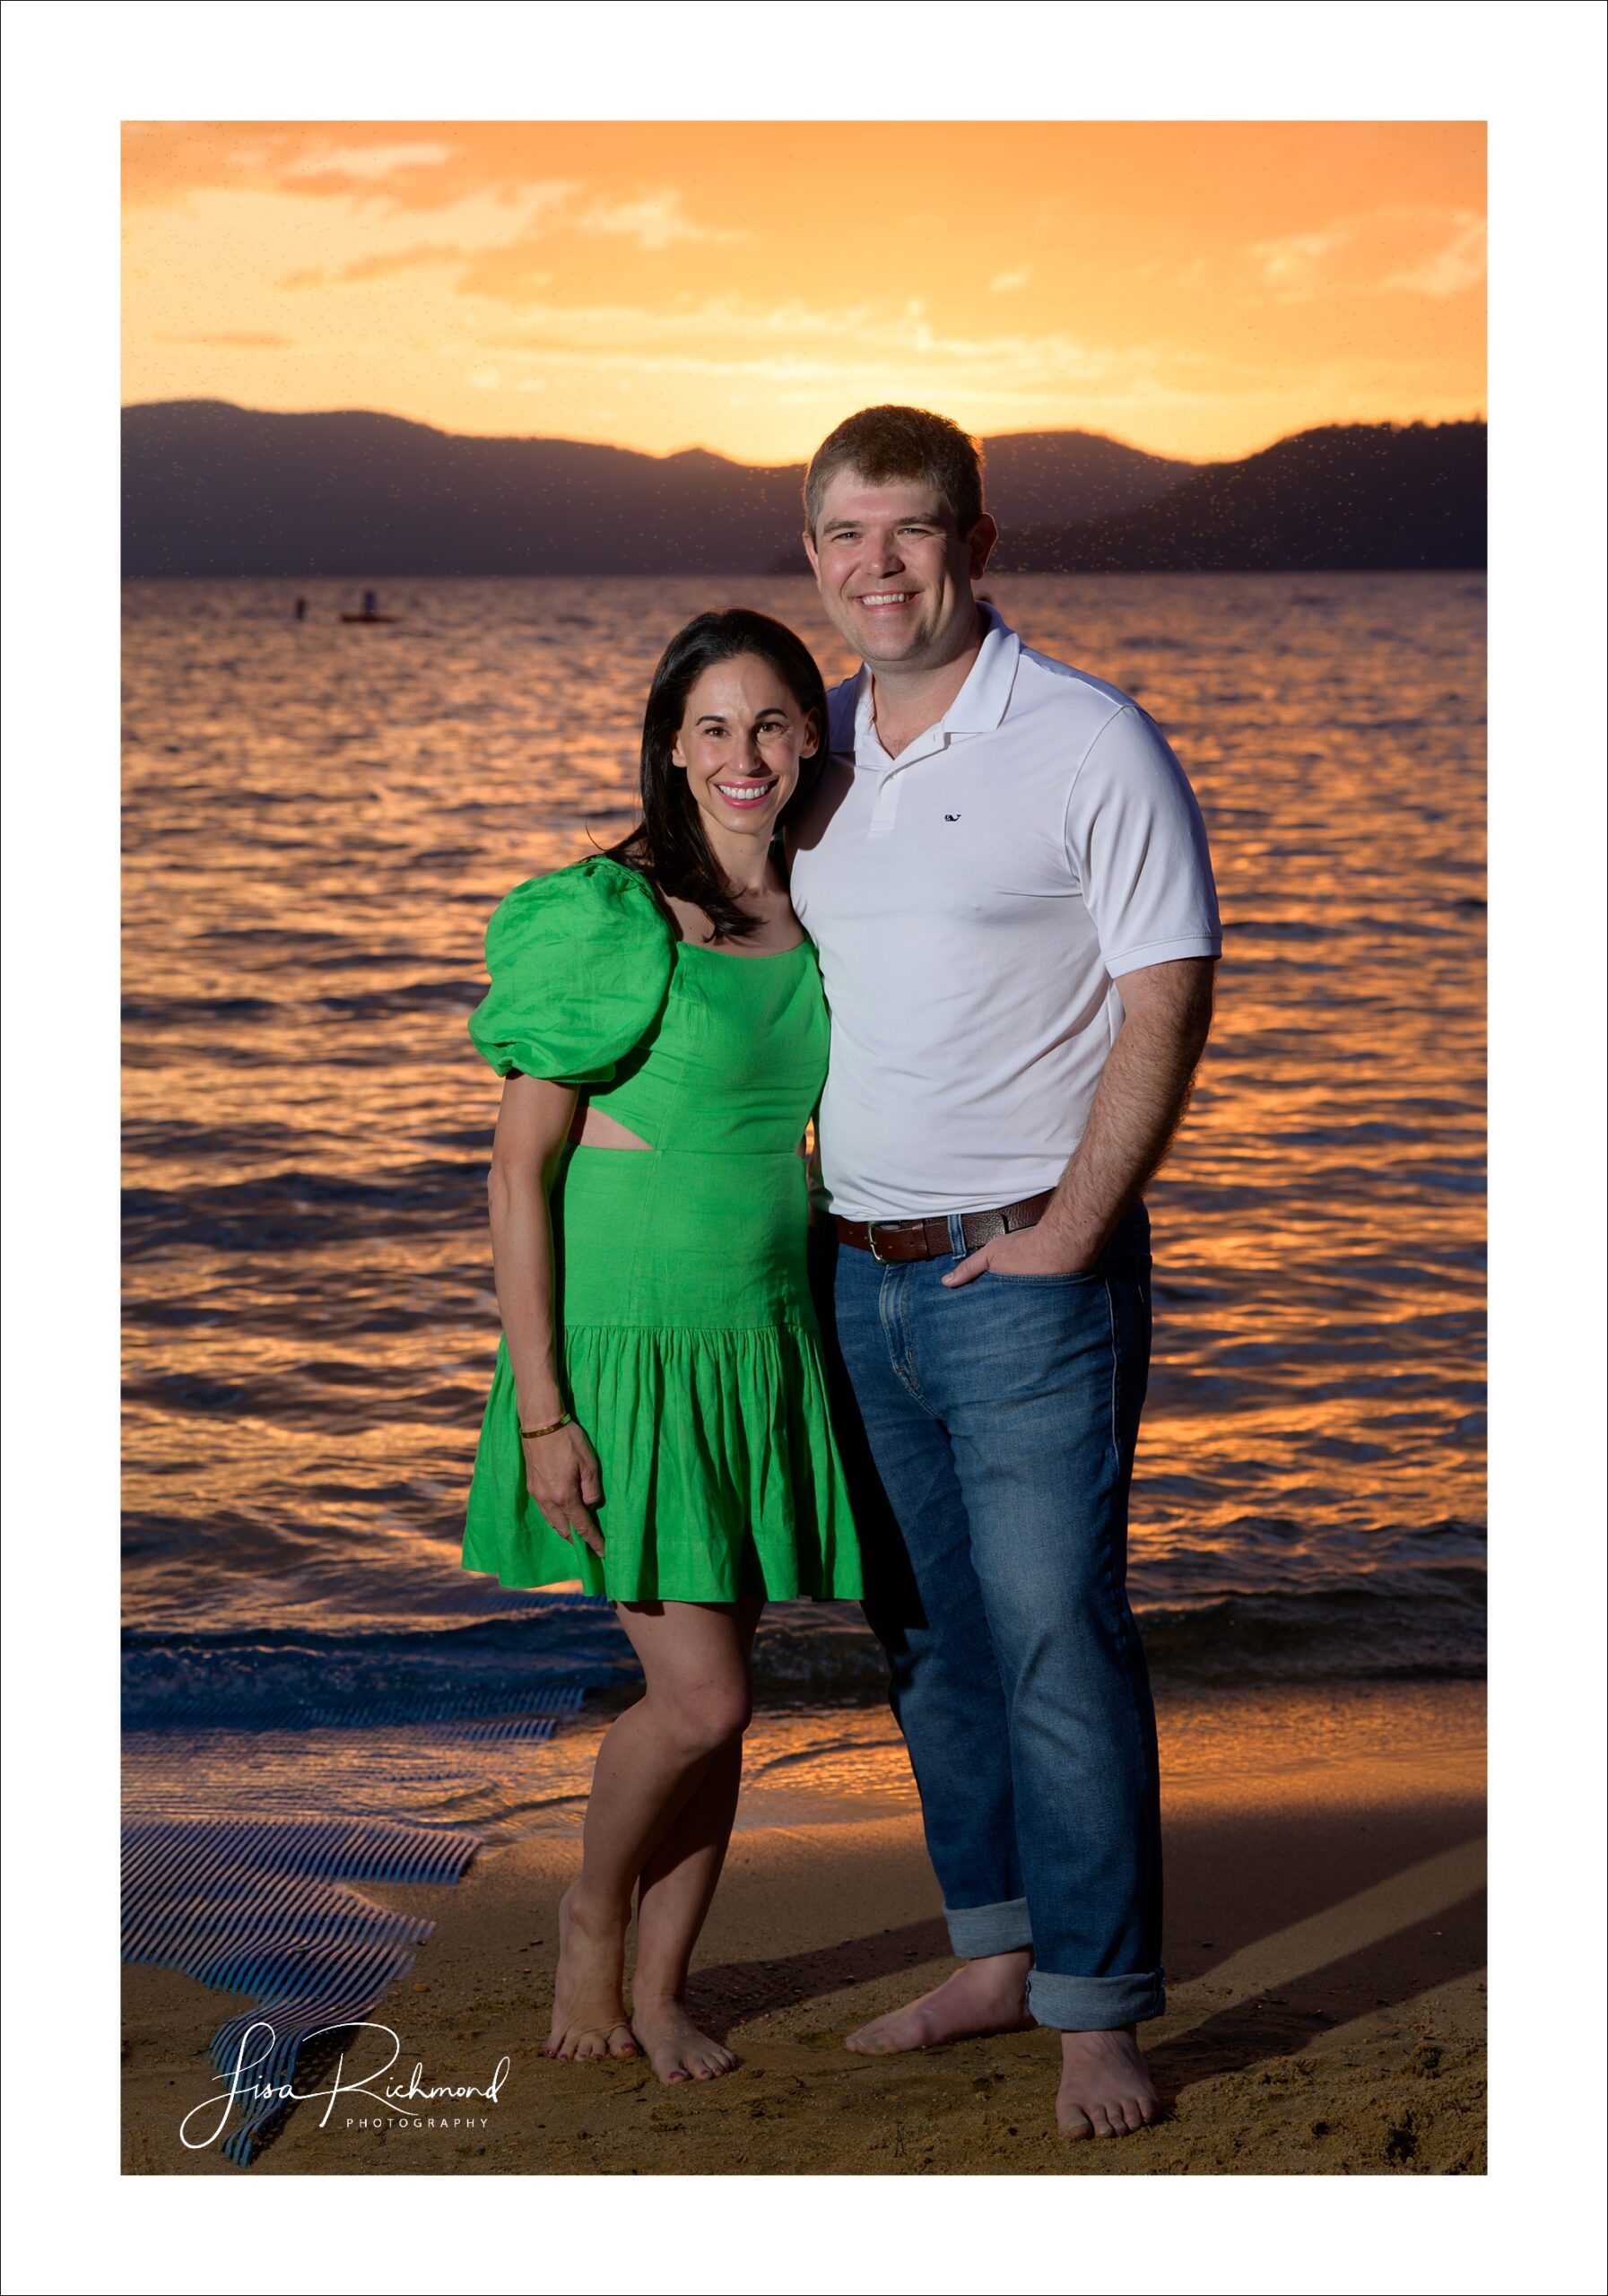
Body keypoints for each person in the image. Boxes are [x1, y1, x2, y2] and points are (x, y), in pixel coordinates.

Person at [787, 404, 1221, 2140]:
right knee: (926, 1640)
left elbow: (1166, 990)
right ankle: (991, 1951)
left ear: (978, 541)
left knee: (1053, 1635)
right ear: (806, 552)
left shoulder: (1088, 741)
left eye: (906, 531)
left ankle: (1098, 2010)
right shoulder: (807, 746)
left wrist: (1072, 1232)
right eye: (839, 535)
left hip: (1025, 1276)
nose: (873, 567)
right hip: (850, 1273)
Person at [461, 608, 864, 2085]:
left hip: (759, 1340)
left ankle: (665, 1986)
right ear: (667, 743)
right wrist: (547, 1410)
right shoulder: (610, 914)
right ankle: (587, 1915)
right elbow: (519, 1174)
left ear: (811, 733)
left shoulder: (820, 910)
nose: (740, 753)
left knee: (720, 1713)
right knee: (702, 1697)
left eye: (769, 722)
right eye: (709, 726)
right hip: (622, 1354)